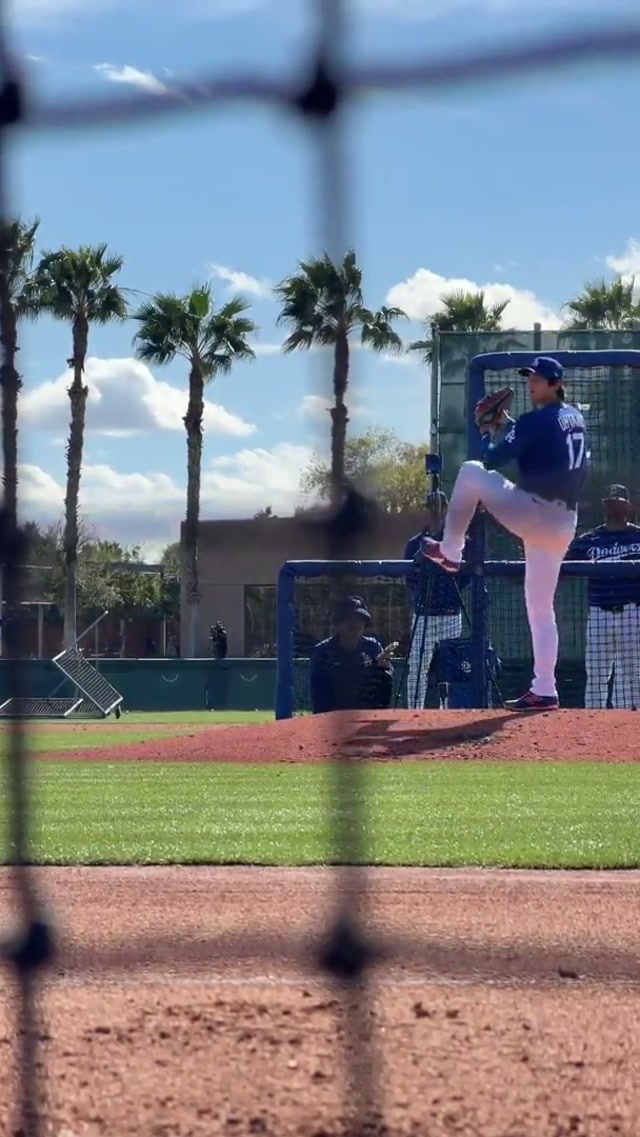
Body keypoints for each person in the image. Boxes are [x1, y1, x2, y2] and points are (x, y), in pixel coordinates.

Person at [422, 355, 588, 711]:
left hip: (536, 513)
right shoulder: (575, 415)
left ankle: (451, 551)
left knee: (470, 471)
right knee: (541, 608)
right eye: (530, 376)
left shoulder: (535, 421)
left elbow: (493, 459)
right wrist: (508, 424)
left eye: (538, 378)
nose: (532, 383)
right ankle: (545, 688)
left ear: (555, 383)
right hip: (563, 524)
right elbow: (541, 443)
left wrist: (486, 432)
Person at [567, 484, 640, 709]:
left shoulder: (638, 535)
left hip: (632, 612)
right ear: (604, 506)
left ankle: (628, 724)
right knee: (597, 673)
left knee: (632, 674)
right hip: (600, 612)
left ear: (627, 506)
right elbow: (564, 565)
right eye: (611, 503)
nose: (615, 506)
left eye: (619, 502)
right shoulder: (590, 539)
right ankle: (593, 723)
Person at [403, 490, 467, 709]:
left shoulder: (458, 540)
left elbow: (465, 575)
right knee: (417, 666)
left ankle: (447, 711)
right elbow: (409, 577)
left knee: (450, 666)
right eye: (431, 508)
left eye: (440, 507)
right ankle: (414, 711)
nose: (436, 512)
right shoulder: (415, 543)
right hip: (424, 613)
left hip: (450, 613)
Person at [310, 595, 394, 714]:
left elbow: (383, 688)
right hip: (332, 718)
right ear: (338, 623)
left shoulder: (373, 647)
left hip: (367, 715)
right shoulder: (322, 651)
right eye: (349, 619)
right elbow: (319, 695)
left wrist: (382, 667)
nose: (355, 624)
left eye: (360, 619)